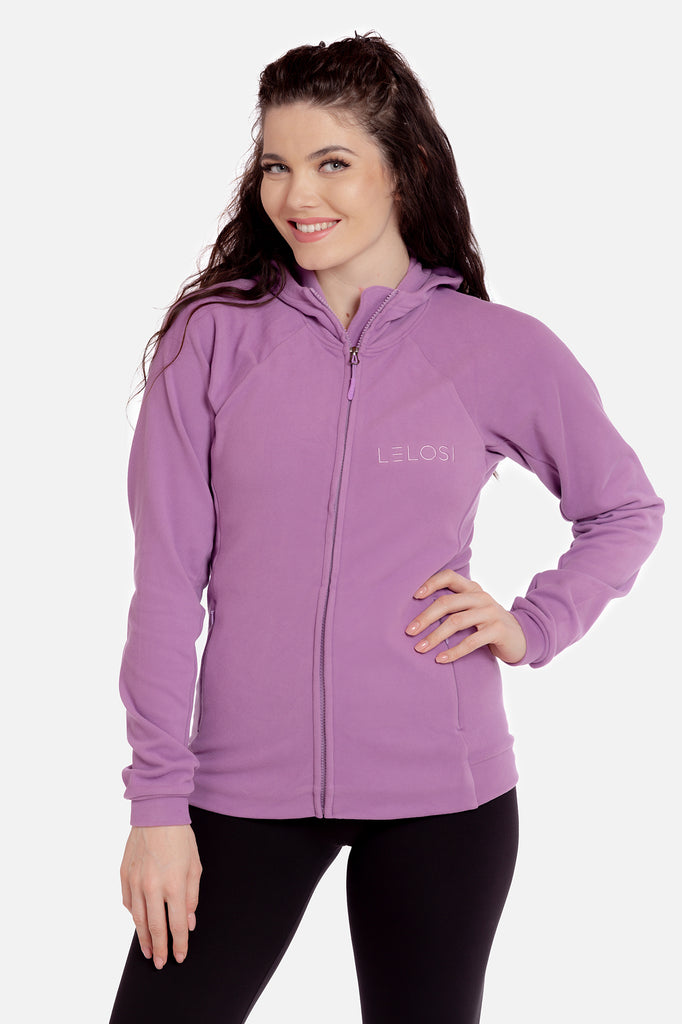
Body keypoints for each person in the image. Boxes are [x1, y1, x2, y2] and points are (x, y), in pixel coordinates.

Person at [108, 32, 664, 1024]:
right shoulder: (213, 337)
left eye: (332, 163)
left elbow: (623, 507)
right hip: (240, 787)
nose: (297, 195)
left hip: (444, 794)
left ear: (401, 168)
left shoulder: (495, 347)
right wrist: (158, 803)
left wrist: (533, 623)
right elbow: (165, 584)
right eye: (276, 165)